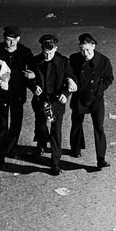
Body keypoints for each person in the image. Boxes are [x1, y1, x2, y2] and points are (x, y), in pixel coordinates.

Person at [0, 25, 35, 166]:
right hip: (3, 92)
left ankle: (11, 148)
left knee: (16, 123)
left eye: (13, 40)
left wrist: (32, 74)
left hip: (18, 92)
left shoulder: (25, 52)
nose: (10, 43)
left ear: (18, 39)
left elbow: (33, 67)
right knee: (3, 123)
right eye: (7, 39)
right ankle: (0, 150)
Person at [25, 34, 76, 176]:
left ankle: (55, 163)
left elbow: (71, 79)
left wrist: (65, 94)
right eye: (45, 53)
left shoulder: (63, 62)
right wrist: (34, 87)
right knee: (41, 125)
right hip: (41, 99)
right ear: (41, 49)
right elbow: (28, 78)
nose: (47, 56)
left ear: (56, 49)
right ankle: (41, 142)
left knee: (56, 131)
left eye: (50, 53)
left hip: (56, 101)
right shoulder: (35, 61)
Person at [68, 33, 114, 170]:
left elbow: (109, 78)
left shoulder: (103, 61)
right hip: (79, 96)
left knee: (99, 128)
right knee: (76, 123)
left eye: (87, 50)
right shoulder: (74, 59)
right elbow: (69, 72)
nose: (85, 53)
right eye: (82, 50)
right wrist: (70, 80)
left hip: (96, 99)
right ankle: (75, 149)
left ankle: (101, 159)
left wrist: (99, 89)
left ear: (93, 46)